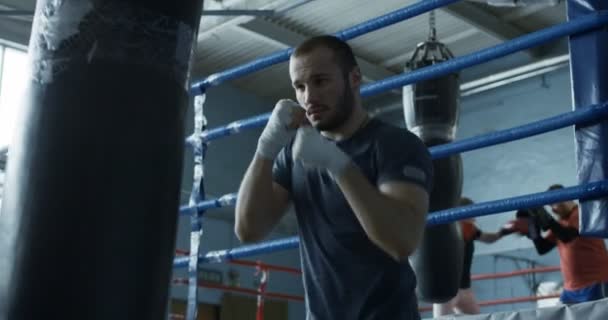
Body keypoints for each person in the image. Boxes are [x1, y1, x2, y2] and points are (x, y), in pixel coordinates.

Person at [235, 35, 433, 319]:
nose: (309, 97)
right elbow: (249, 229)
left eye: (320, 81)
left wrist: (338, 164)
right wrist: (266, 147)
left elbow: (402, 241)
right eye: (299, 87)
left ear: (354, 78)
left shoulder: (394, 145)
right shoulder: (296, 152)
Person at [504, 184, 608, 304]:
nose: (553, 209)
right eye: (550, 206)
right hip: (571, 289)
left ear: (568, 197)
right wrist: (533, 230)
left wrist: (545, 218)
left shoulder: (582, 213)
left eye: (555, 203)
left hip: (595, 283)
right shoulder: (561, 223)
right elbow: (542, 248)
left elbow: (567, 236)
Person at [433, 197, 505, 317]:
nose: (475, 216)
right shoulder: (444, 229)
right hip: (446, 291)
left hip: (465, 289)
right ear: (463, 212)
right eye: (472, 211)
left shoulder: (470, 229)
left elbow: (489, 239)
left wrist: (505, 231)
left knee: (476, 318)